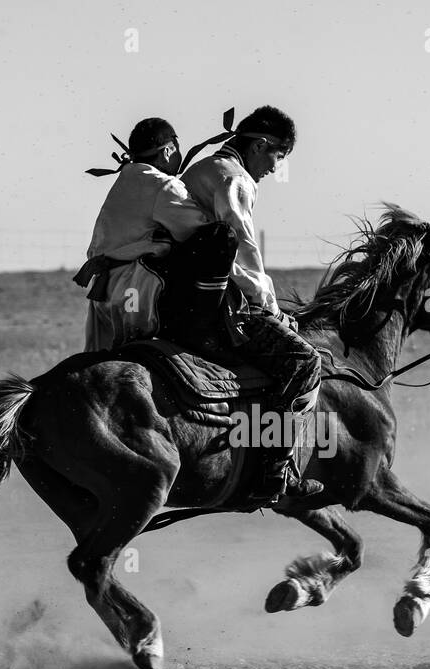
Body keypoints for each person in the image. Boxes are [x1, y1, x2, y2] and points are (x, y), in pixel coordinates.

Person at [180, 106, 325, 502]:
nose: (276, 168)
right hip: (218, 303)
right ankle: (274, 471)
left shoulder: (202, 169)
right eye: (278, 155)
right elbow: (242, 253)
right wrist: (272, 308)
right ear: (260, 145)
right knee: (304, 361)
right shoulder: (235, 180)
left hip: (175, 296)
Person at [75, 118, 210, 350]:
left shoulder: (126, 179)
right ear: (168, 151)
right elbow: (200, 233)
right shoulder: (163, 186)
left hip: (103, 296)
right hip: (135, 292)